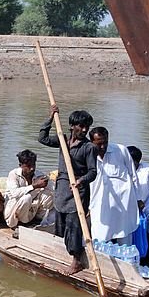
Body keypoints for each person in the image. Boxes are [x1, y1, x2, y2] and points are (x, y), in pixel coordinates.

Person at [39, 105, 98, 274]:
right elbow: (42, 138)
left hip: (77, 191)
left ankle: (76, 260)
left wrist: (81, 180)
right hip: (62, 188)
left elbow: (93, 172)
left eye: (87, 127)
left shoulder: (89, 148)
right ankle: (62, 254)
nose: (84, 130)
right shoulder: (62, 140)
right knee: (61, 225)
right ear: (72, 126)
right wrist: (50, 118)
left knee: (74, 226)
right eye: (81, 126)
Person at [88, 126, 139, 243]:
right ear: (92, 142)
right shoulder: (88, 155)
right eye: (98, 144)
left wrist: (138, 198)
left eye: (105, 143)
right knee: (100, 239)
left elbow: (133, 176)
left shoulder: (121, 151)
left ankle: (127, 261)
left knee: (125, 241)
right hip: (99, 206)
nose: (102, 147)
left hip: (123, 206)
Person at [3, 149, 53, 229]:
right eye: (29, 166)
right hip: (13, 214)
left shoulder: (39, 175)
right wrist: (34, 186)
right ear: (21, 165)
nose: (32, 168)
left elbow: (52, 188)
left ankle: (37, 220)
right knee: (27, 198)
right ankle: (20, 224)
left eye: (33, 165)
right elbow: (15, 193)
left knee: (48, 194)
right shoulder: (13, 174)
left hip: (30, 211)